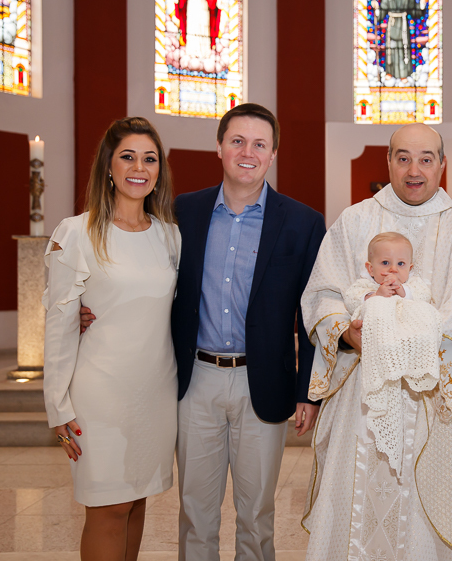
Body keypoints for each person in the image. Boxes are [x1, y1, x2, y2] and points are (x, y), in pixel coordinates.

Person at [81, 103, 325, 561]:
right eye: (237, 141)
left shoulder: (303, 222)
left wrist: (309, 391)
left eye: (259, 144)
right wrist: (87, 308)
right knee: (196, 513)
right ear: (219, 147)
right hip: (194, 380)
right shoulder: (180, 214)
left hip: (265, 383)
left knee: (257, 516)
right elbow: (139, 275)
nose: (247, 152)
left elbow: (311, 313)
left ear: (273, 153)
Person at [300, 123, 452, 561]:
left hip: (430, 402)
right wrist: (346, 332)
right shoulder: (355, 221)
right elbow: (323, 293)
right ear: (387, 162)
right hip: (361, 399)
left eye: (426, 159)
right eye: (402, 157)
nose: (414, 169)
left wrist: (411, 351)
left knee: (420, 518)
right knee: (353, 506)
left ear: (443, 166)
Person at [43, 117, 181, 560]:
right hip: (100, 393)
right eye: (127, 156)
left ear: (159, 170)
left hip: (155, 391)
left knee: (137, 501)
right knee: (109, 505)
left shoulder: (170, 236)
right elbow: (60, 325)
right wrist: (57, 405)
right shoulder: (77, 233)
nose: (139, 167)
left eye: (150, 158)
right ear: (108, 165)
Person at [343, 232, 441, 477]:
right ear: (370, 267)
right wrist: (375, 295)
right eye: (385, 264)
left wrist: (404, 293)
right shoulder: (364, 286)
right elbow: (352, 298)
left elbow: (425, 297)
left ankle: (418, 364)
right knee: (375, 306)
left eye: (400, 264)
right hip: (376, 353)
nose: (393, 271)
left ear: (410, 267)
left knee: (428, 314)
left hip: (408, 350)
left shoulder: (414, 285)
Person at [372, 0, 427, 79]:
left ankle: (403, 75)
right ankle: (389, 72)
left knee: (403, 51)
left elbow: (416, 12)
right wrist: (377, 8)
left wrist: (422, 2)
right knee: (391, 50)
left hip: (403, 28)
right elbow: (381, 15)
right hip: (391, 28)